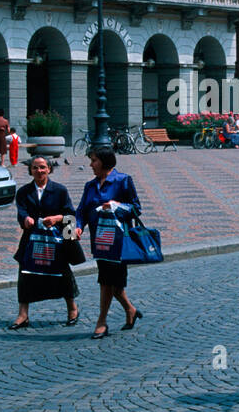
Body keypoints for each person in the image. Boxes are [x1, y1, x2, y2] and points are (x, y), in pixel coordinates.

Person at [74, 145, 143, 340]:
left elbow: (136, 208)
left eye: (94, 160)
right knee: (115, 285)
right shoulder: (90, 185)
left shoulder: (123, 181)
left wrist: (116, 206)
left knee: (106, 281)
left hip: (119, 241)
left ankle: (101, 322)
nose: (90, 164)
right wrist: (77, 227)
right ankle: (130, 310)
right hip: (99, 240)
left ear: (105, 161)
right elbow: (81, 211)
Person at [9, 156, 80, 329]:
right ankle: (23, 314)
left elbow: (70, 214)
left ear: (49, 169)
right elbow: (21, 212)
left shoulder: (60, 190)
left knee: (63, 273)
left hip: (55, 240)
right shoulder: (24, 191)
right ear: (30, 170)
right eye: (35, 168)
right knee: (25, 274)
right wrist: (25, 220)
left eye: (42, 167)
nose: (39, 171)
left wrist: (58, 221)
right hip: (32, 239)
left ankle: (72, 309)